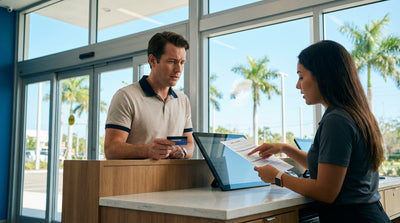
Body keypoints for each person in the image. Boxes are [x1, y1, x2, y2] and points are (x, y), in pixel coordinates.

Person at [249, 40, 390, 222]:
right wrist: (284, 148)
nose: (298, 86)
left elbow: (326, 191)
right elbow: (327, 168)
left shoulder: (336, 120)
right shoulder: (353, 114)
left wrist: (277, 177)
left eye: (301, 76)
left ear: (323, 77)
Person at [104, 31, 194, 160]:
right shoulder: (126, 97)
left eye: (182, 62)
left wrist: (183, 151)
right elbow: (111, 149)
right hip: (136, 179)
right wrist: (147, 150)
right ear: (152, 60)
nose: (178, 69)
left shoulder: (183, 100)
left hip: (172, 179)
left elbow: (190, 144)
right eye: (171, 61)